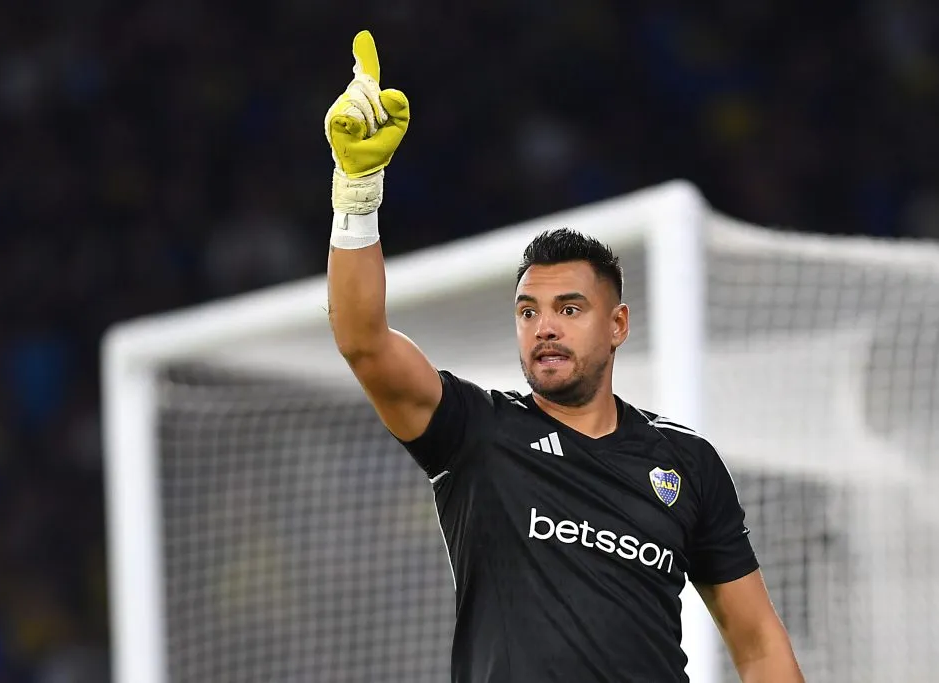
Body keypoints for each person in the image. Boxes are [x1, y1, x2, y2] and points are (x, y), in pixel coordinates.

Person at [325, 30, 805, 683]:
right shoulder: (479, 433)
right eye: (529, 312)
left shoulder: (685, 462)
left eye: (569, 310)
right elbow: (363, 341)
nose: (545, 327)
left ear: (618, 325)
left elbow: (759, 645)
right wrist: (357, 190)